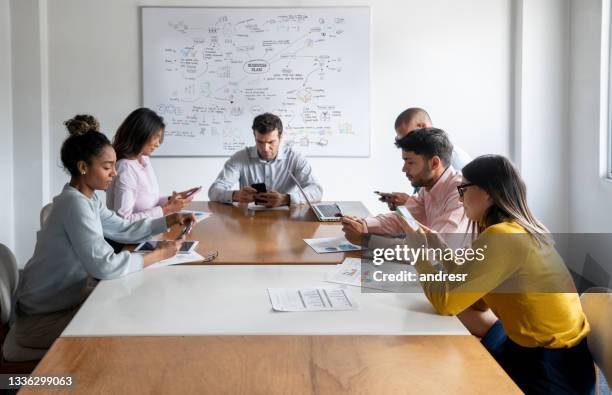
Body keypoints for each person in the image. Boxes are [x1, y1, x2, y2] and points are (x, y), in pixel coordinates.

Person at [398, 155, 594, 394]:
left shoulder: (503, 237)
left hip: (550, 368)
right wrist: (439, 247)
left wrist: (418, 250)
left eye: (463, 189)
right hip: (549, 353)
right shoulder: (514, 229)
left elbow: (446, 302)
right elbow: (473, 297)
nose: (460, 198)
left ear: (488, 193)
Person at [6, 115, 195, 352]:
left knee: (131, 310)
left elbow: (122, 228)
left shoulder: (89, 198)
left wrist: (168, 220)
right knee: (125, 329)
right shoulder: (74, 204)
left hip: (64, 302)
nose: (114, 173)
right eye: (107, 167)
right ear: (83, 167)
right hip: (41, 322)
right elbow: (104, 266)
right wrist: (158, 255)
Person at [342, 127, 497, 337]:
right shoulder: (428, 187)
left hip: (461, 286)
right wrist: (364, 224)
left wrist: (366, 240)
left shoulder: (459, 194)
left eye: (410, 162)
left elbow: (428, 250)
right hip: (448, 277)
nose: (403, 169)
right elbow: (402, 219)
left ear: (434, 163)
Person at [208, 112, 323, 208]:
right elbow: (213, 191)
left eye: (271, 142)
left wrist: (286, 199)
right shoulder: (240, 158)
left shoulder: (295, 159)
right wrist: (235, 195)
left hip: (285, 221)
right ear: (255, 137)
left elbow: (316, 190)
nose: (265, 148)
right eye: (260, 142)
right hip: (249, 221)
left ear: (281, 137)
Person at [107, 108, 199, 220]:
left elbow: (150, 201)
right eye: (156, 137)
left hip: (149, 230)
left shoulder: (144, 159)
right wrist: (167, 209)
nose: (158, 144)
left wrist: (172, 200)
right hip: (132, 236)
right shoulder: (125, 168)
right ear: (141, 134)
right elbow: (123, 220)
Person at [379, 107, 472, 210]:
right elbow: (423, 205)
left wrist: (409, 204)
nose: (405, 143)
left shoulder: (456, 165)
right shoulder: (425, 174)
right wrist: (408, 207)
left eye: (408, 136)